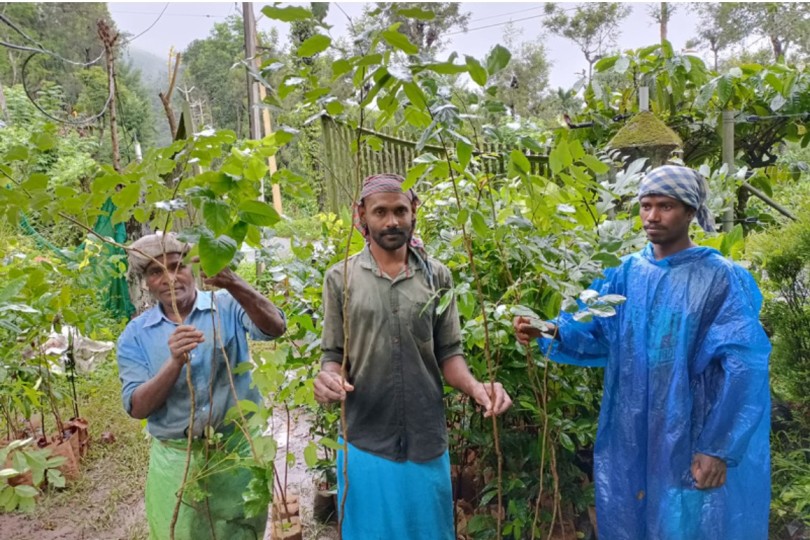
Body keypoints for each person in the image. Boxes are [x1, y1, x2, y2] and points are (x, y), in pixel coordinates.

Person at [514, 165, 771, 540]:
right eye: (645, 205)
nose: (652, 216)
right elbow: (594, 327)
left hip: (693, 430)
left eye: (665, 206)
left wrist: (717, 447)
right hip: (632, 429)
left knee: (690, 521)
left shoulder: (720, 278)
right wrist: (550, 329)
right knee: (632, 513)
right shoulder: (625, 273)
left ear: (690, 212)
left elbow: (744, 365)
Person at [314, 173, 513, 539]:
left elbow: (448, 353)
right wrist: (327, 378)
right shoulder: (340, 278)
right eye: (380, 212)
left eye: (400, 211)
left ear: (413, 213)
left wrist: (476, 386)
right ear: (362, 216)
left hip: (425, 438)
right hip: (365, 439)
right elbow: (333, 354)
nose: (391, 221)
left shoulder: (437, 277)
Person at [116, 232, 286, 540]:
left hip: (237, 452)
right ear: (146, 281)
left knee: (242, 531)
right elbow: (137, 407)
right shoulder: (135, 336)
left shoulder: (228, 306)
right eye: (156, 271)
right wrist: (174, 363)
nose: (169, 278)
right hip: (177, 462)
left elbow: (275, 329)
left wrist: (235, 283)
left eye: (177, 265)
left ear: (192, 268)